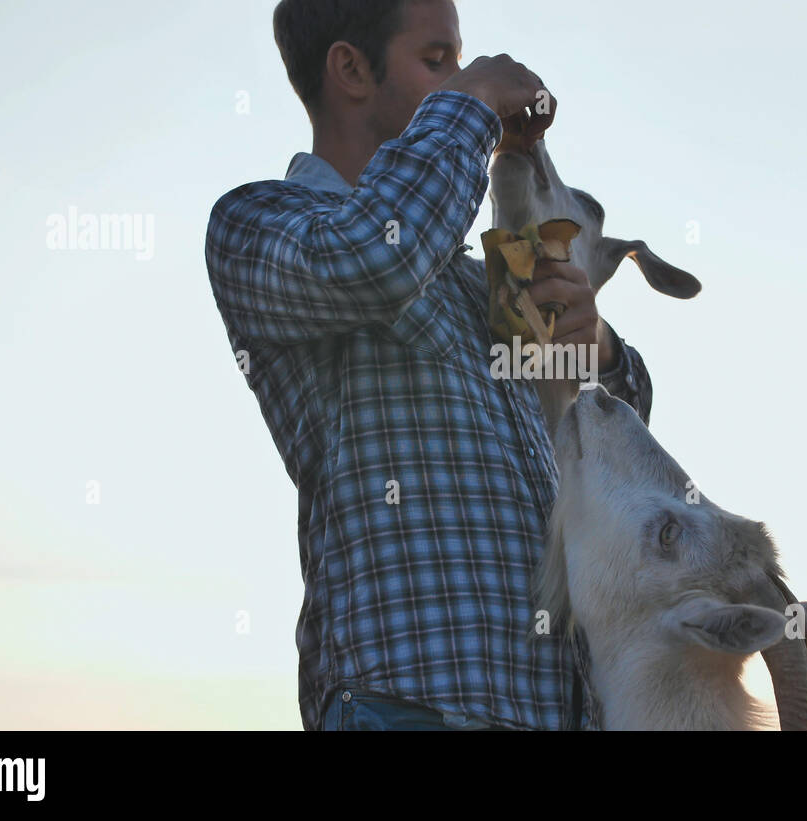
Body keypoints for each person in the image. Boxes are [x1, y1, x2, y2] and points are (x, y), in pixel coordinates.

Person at [205, 0, 652, 730]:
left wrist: (592, 341)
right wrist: (470, 102)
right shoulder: (256, 222)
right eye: (437, 60)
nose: (461, 76)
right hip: (407, 706)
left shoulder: (480, 282)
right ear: (350, 68)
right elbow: (376, 257)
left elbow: (599, 435)